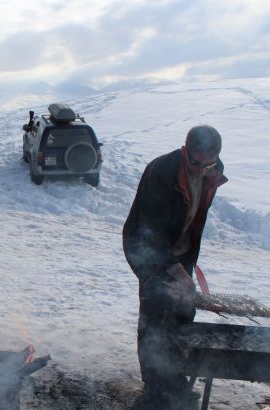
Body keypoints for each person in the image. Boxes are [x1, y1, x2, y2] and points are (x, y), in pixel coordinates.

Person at [123, 125, 227, 409]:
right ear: (185, 150)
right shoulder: (161, 172)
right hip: (149, 250)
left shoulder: (212, 170)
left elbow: (193, 215)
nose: (201, 170)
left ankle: (175, 382)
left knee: (183, 313)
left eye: (209, 164)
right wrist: (174, 271)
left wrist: (185, 264)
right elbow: (150, 230)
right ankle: (155, 390)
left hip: (180, 253)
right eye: (195, 163)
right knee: (156, 318)